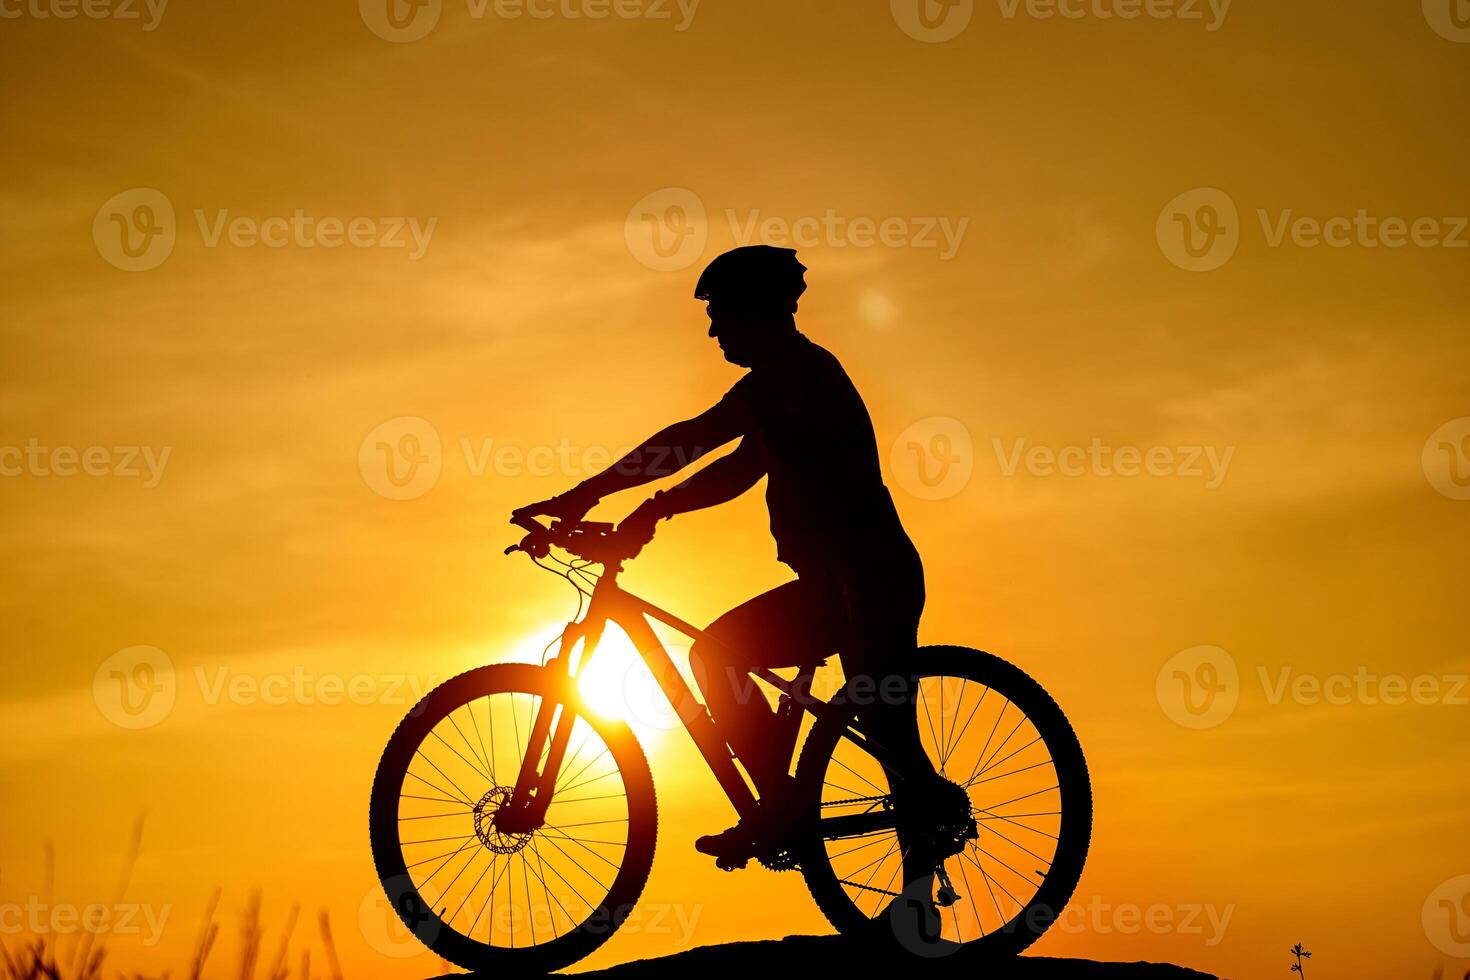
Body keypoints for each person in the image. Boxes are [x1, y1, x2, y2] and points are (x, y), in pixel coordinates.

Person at [513, 245, 931, 869]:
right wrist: (645, 510)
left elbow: (693, 443)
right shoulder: (781, 389)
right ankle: (781, 806)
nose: (712, 328)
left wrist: (591, 497)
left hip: (866, 581)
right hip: (842, 581)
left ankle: (800, 818)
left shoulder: (796, 376)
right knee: (856, 716)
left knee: (882, 734)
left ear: (756, 309)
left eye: (720, 313)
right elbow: (733, 467)